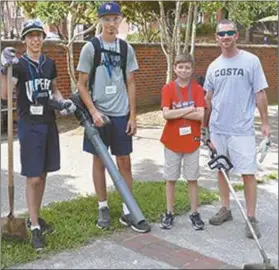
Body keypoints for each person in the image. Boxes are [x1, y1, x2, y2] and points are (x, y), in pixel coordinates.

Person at [1, 19, 76, 250]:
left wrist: (64, 103)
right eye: (30, 35)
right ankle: (34, 226)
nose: (35, 39)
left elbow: (53, 89)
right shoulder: (19, 65)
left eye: (38, 35)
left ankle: (36, 217)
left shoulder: (49, 63)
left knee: (43, 174)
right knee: (33, 177)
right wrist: (4, 68)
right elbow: (5, 95)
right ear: (24, 40)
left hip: (48, 122)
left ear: (43, 38)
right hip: (29, 125)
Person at [76, 2, 150, 233]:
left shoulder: (126, 49)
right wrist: (94, 112)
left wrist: (133, 116)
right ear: (100, 21)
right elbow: (81, 84)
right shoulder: (91, 48)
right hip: (99, 113)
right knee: (99, 160)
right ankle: (103, 206)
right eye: (106, 19)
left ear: (120, 21)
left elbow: (131, 82)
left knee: (124, 161)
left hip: (120, 114)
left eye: (115, 19)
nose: (111, 23)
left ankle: (128, 210)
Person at [202, 19, 271, 239]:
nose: (226, 37)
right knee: (222, 171)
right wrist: (205, 128)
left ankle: (251, 217)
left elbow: (260, 93)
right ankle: (225, 209)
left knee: (248, 173)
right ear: (216, 37)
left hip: (242, 129)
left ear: (236, 35)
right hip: (218, 128)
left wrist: (266, 123)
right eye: (221, 34)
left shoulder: (251, 61)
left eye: (230, 33)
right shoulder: (214, 66)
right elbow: (208, 100)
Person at [160, 54, 206, 230]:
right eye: (180, 67)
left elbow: (201, 114)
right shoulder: (168, 88)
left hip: (192, 141)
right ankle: (169, 212)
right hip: (172, 141)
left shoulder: (197, 89)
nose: (184, 70)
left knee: (192, 178)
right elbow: (166, 114)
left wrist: (177, 111)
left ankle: (194, 213)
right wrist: (188, 109)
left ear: (192, 69)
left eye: (187, 67)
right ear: (175, 68)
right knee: (171, 178)